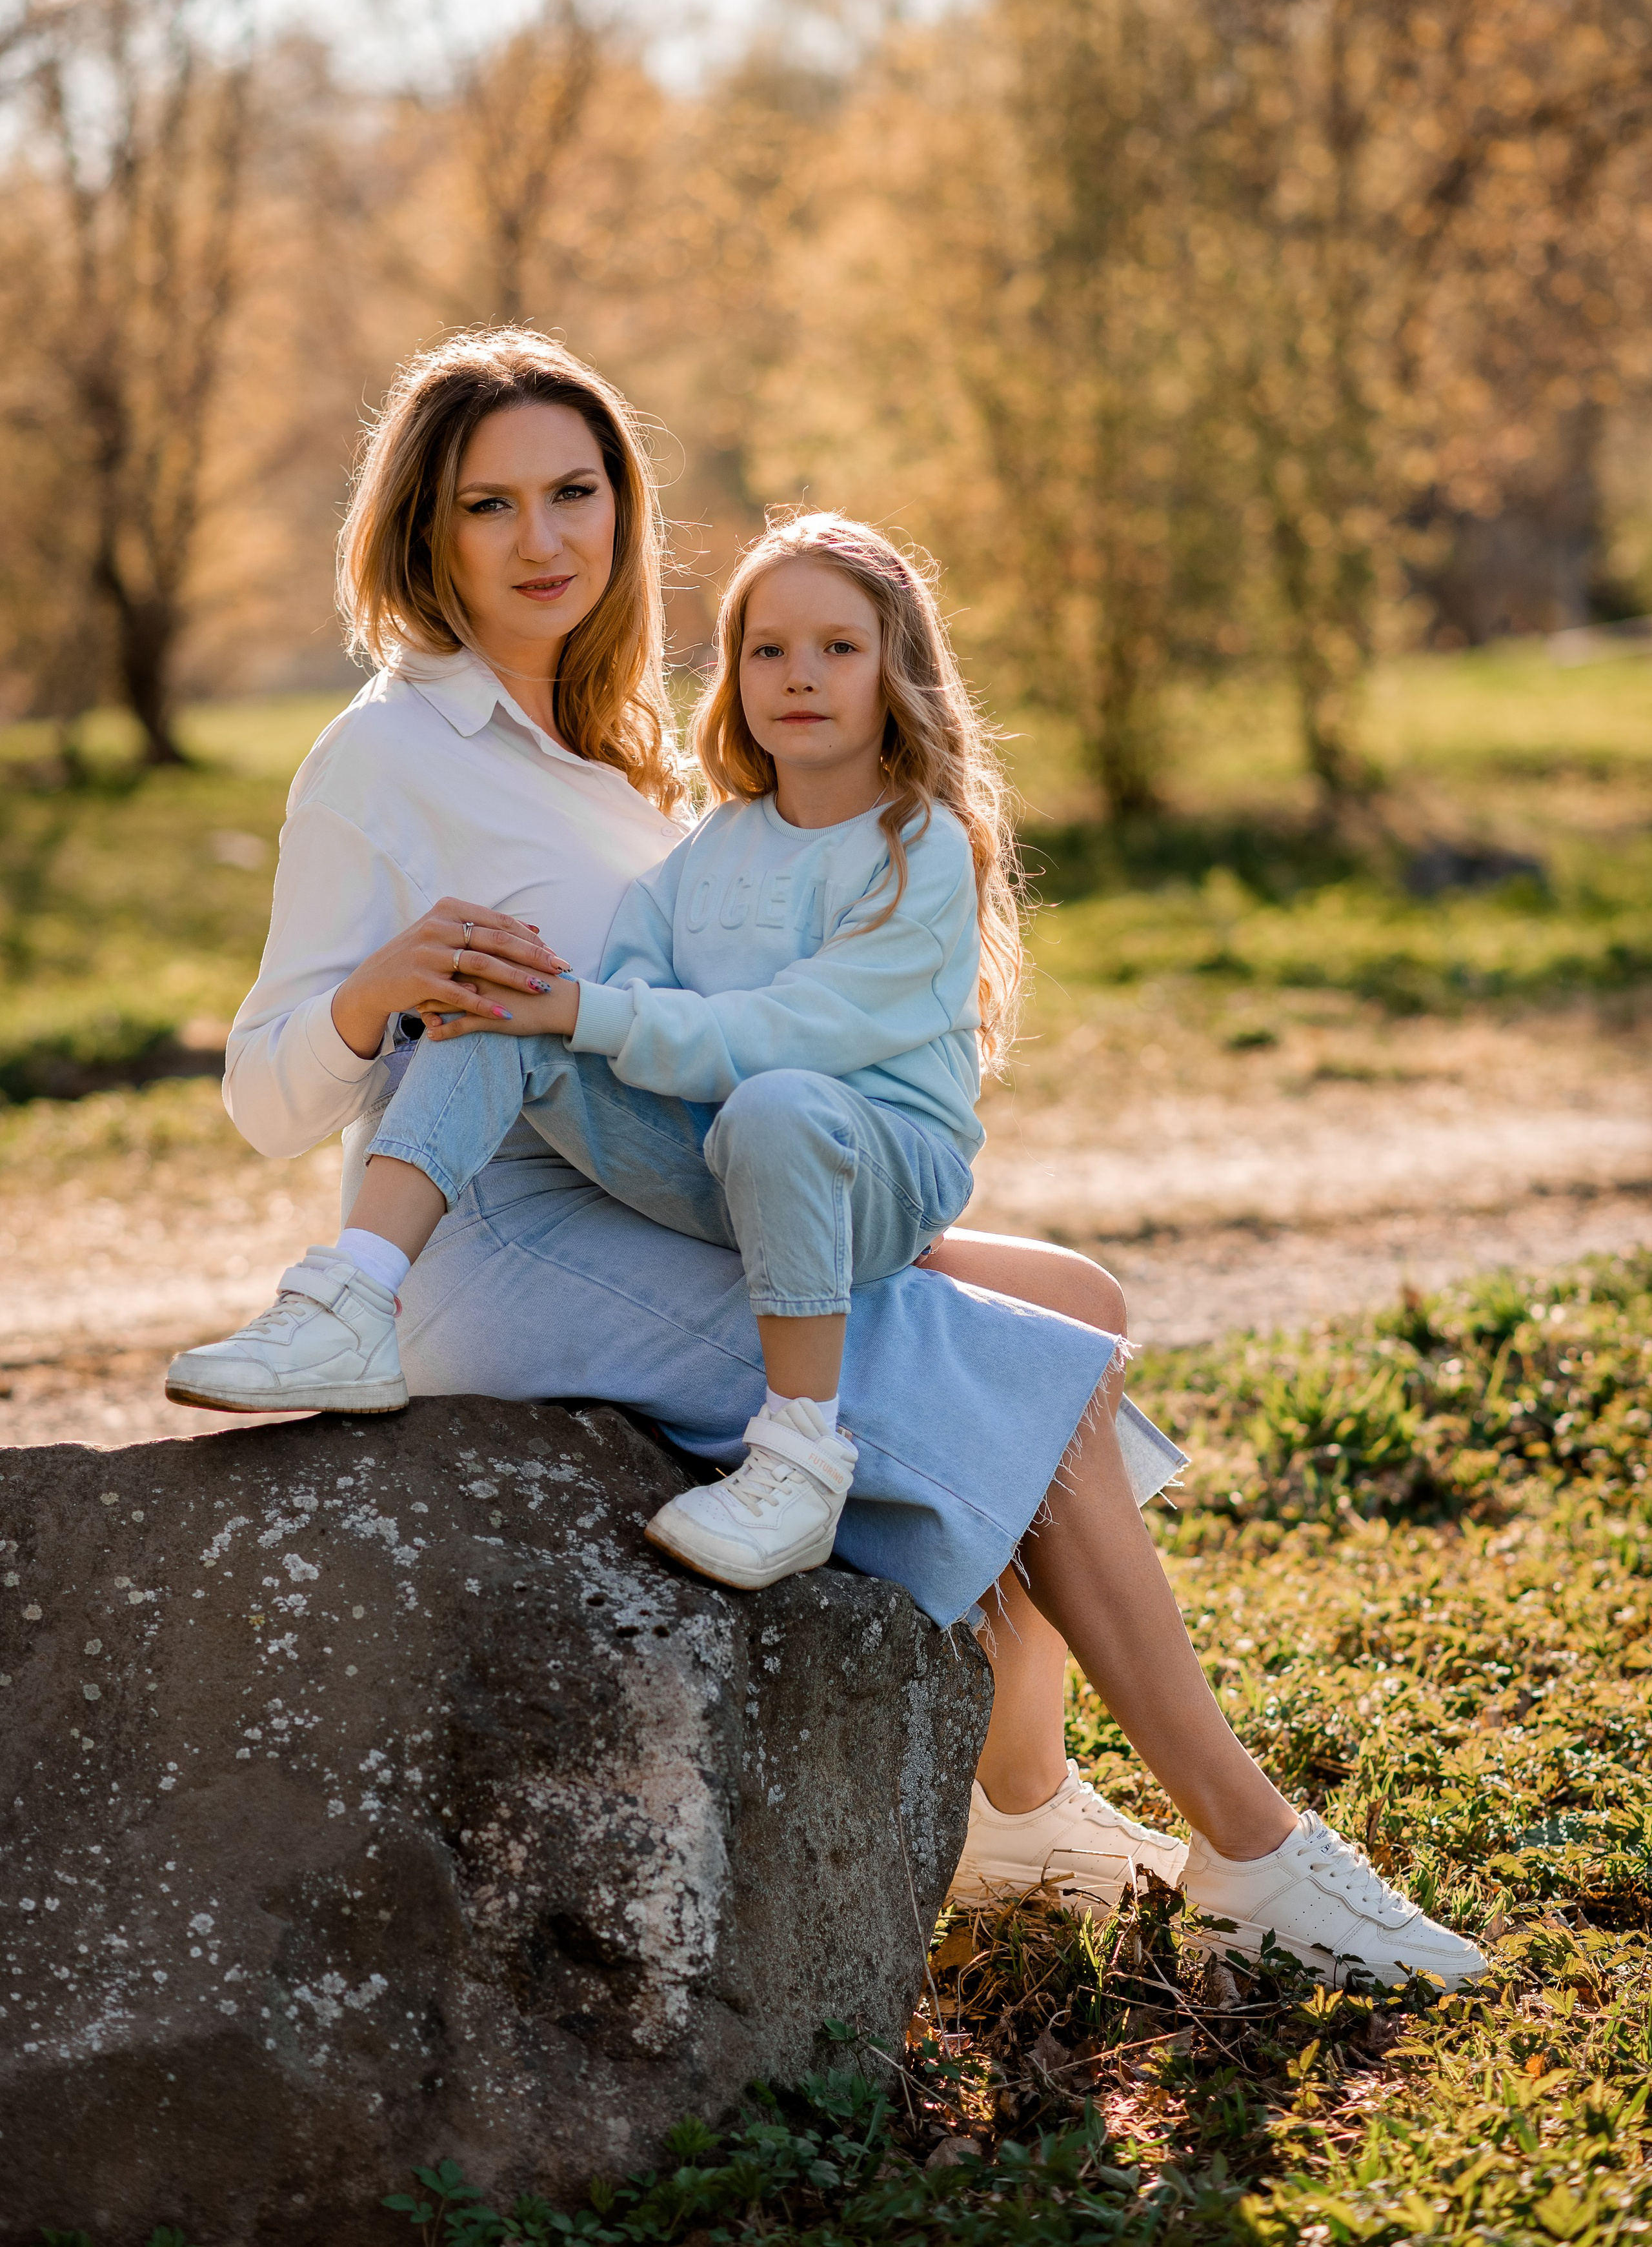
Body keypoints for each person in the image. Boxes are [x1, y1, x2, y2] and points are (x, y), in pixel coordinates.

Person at [166, 326, 1486, 1990]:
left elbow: (750, 1009)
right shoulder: (384, 753)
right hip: (509, 1238)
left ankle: (1016, 1810)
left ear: (624, 508)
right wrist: (375, 989)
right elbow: (262, 1094)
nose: (543, 540)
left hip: (680, 1180)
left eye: (575, 492)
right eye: (490, 506)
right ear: (423, 531)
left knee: (1068, 1297)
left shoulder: (630, 739)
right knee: (1017, 1368)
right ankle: (1255, 1850)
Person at [170, 510, 1016, 1597]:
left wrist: (593, 1015)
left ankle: (801, 1458)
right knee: (503, 1006)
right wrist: (555, 1005)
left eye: (838, 649)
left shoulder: (918, 851)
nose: (799, 676)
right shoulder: (718, 839)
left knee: (771, 1100)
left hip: (879, 1178)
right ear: (735, 675)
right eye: (768, 650)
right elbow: (633, 978)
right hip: (726, 1158)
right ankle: (351, 1300)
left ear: (900, 674)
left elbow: (788, 1035)